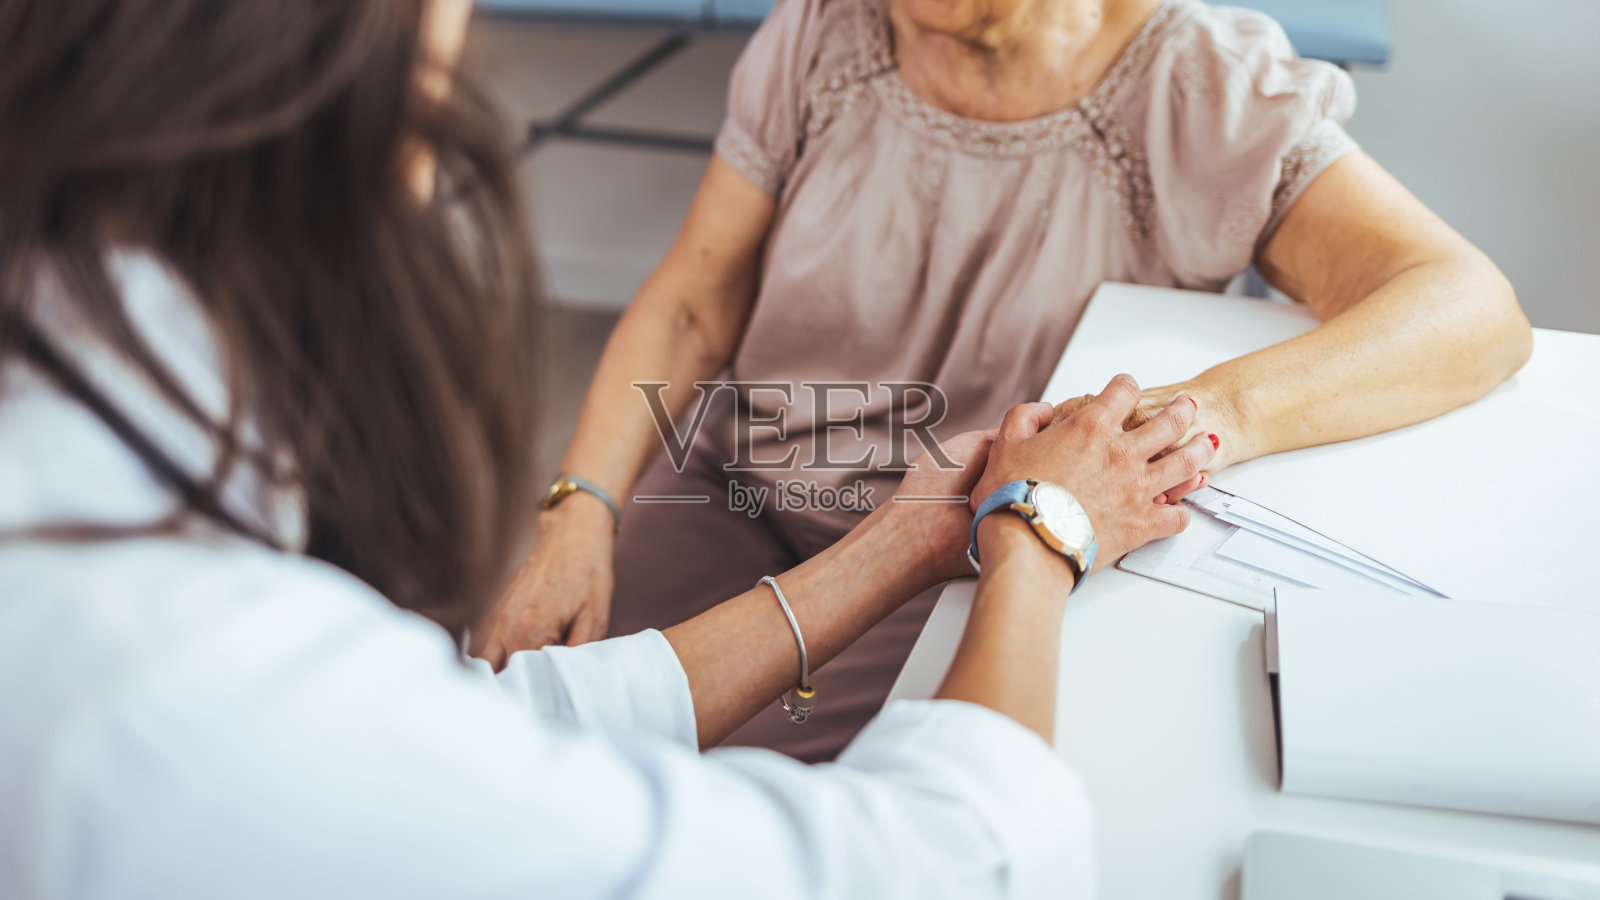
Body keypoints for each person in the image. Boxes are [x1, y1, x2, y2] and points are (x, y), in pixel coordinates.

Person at [0, 1, 1218, 896]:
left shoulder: (1199, 82)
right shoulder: (195, 684)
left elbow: (483, 717)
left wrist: (899, 543)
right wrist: (1039, 536)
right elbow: (962, 864)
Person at [478, 0, 1534, 761]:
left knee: (712, 790)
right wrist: (577, 513)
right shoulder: (819, 33)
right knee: (511, 719)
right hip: (735, 484)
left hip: (956, 553)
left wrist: (1194, 419)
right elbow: (689, 304)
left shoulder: (1197, 85)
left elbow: (1467, 305)